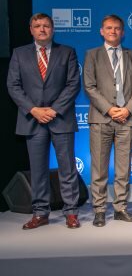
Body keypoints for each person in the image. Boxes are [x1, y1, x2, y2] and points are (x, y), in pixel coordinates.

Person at [7, 13, 81, 229]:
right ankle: (40, 213)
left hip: (61, 119)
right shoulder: (19, 54)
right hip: (33, 120)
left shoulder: (67, 52)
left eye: (46, 26)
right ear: (31, 29)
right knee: (38, 169)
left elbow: (72, 85)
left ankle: (71, 212)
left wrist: (54, 110)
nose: (42, 29)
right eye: (37, 26)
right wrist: (34, 109)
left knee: (67, 168)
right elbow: (13, 86)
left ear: (53, 29)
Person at [83, 14, 132, 227]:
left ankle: (120, 208)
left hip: (127, 118)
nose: (113, 31)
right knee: (99, 167)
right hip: (101, 119)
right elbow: (89, 86)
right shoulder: (92, 55)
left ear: (123, 32)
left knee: (123, 167)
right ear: (101, 31)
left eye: (117, 28)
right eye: (109, 28)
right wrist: (109, 109)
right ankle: (99, 209)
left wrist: (127, 109)